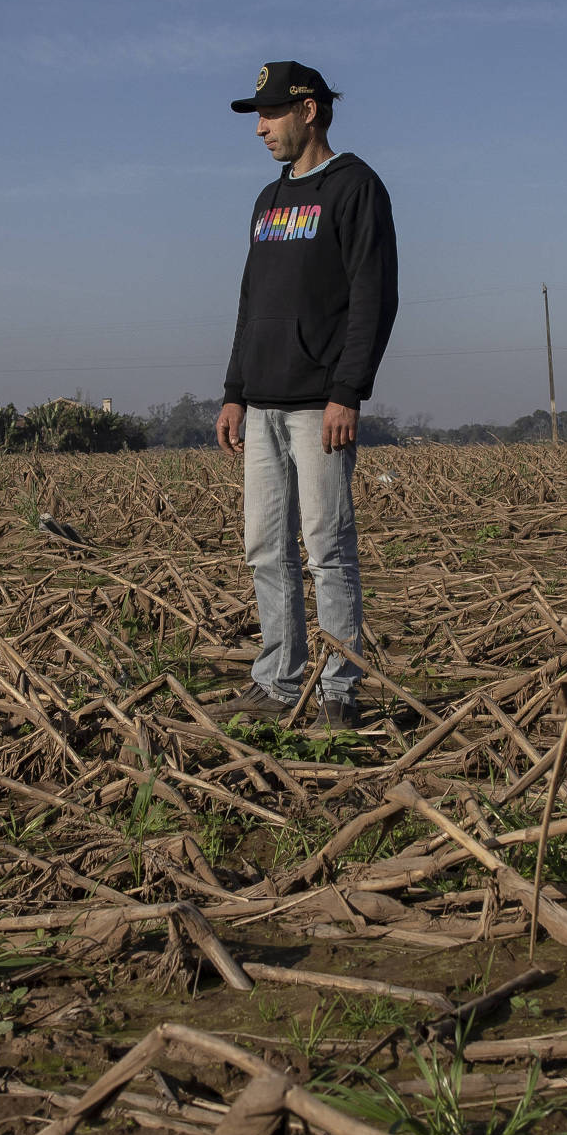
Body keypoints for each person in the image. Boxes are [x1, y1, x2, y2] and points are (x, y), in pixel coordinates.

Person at [213, 60, 398, 730]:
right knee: (265, 548)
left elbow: (374, 299)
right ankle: (278, 683)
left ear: (309, 111)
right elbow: (250, 301)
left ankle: (340, 694)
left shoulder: (355, 188)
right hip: (260, 406)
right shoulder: (267, 200)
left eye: (270, 114)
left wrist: (348, 391)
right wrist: (234, 390)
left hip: (321, 407)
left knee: (326, 549)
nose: (260, 128)